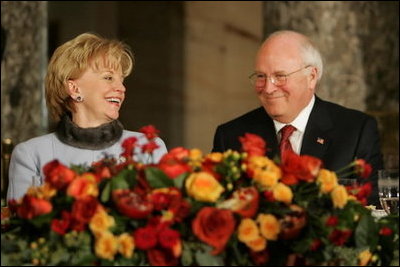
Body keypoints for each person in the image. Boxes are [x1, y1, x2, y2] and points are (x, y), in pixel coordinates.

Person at [212, 30, 383, 205]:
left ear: (311, 77)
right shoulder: (230, 136)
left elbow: (369, 212)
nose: (268, 88)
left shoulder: (356, 131)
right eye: (261, 76)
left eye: (280, 76)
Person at [7, 32, 167, 201]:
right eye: (108, 77)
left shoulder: (148, 147)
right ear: (74, 89)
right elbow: (21, 223)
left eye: (121, 80)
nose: (121, 88)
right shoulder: (31, 154)